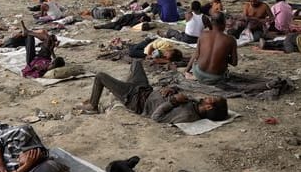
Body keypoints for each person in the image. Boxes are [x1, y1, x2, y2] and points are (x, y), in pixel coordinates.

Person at [74, 60, 228, 123]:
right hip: (144, 89)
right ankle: (120, 87)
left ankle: (93, 106)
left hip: (135, 99)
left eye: (211, 100)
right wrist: (170, 90)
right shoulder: (195, 103)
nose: (208, 97)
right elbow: (178, 94)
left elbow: (156, 117)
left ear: (209, 108)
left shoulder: (188, 115)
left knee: (100, 76)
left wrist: (172, 101)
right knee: (136, 63)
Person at [186, 13, 238, 85]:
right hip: (216, 78)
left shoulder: (203, 34)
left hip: (199, 74)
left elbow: (196, 54)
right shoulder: (231, 40)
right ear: (224, 23)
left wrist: (186, 71)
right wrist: (223, 56)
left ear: (211, 23)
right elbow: (234, 63)